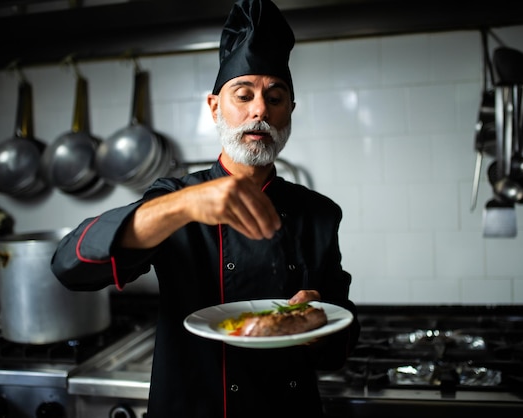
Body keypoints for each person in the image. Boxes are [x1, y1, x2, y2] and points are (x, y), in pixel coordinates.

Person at [51, 0, 360, 417]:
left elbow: (339, 341)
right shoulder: (178, 199)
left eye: (276, 96)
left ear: (290, 112)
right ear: (215, 107)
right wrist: (184, 205)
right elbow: (70, 265)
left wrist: (317, 323)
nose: (259, 110)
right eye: (243, 94)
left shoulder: (319, 214)